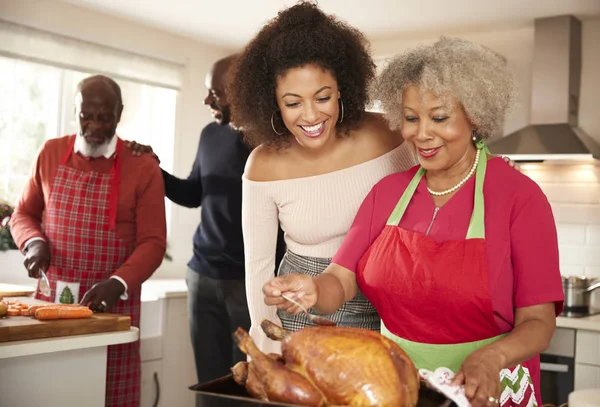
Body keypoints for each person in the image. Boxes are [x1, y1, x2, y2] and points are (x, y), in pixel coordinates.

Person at [263, 37, 564, 407]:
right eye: (410, 118)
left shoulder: (520, 198)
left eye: (439, 118)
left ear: (475, 116)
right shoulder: (387, 193)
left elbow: (538, 321)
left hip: (488, 389)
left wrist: (493, 357)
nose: (421, 134)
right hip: (398, 387)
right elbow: (341, 279)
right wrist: (312, 289)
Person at [227, 1, 418, 355]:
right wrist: (266, 343)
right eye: (293, 102)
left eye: (323, 97)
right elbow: (258, 266)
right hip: (301, 311)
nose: (311, 116)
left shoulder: (389, 134)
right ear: (274, 102)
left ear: (342, 88)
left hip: (385, 303)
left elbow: (435, 190)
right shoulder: (263, 165)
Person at [126, 54, 286, 383]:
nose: (206, 100)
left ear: (241, 91)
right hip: (202, 277)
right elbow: (194, 194)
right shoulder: (209, 135)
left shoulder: (275, 142)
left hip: (250, 284)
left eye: (215, 92)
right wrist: (156, 170)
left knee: (250, 383)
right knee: (209, 382)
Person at [10, 74, 167, 407]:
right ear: (75, 110)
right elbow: (23, 214)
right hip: (51, 307)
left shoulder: (143, 167)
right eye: (86, 115)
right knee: (50, 392)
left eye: (105, 116)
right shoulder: (50, 152)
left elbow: (153, 242)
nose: (94, 125)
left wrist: (118, 281)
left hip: (113, 311)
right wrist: (33, 242)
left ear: (119, 113)